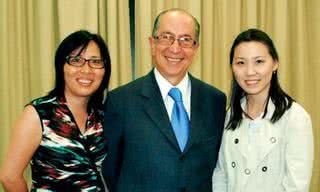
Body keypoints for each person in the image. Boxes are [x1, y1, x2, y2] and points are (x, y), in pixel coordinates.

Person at [102, 8, 226, 192]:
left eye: (185, 40)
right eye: (166, 37)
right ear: (152, 43)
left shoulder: (215, 100)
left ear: (195, 48)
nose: (175, 48)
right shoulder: (120, 101)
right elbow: (111, 169)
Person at [0, 30, 111, 191]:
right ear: (61, 67)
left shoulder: (101, 115)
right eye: (76, 60)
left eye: (95, 61)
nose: (87, 70)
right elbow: (9, 177)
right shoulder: (39, 113)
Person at [212, 28, 314, 192]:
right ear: (232, 67)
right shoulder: (230, 114)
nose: (250, 72)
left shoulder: (295, 117)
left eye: (259, 61)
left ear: (274, 63)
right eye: (241, 63)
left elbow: (296, 186)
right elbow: (221, 174)